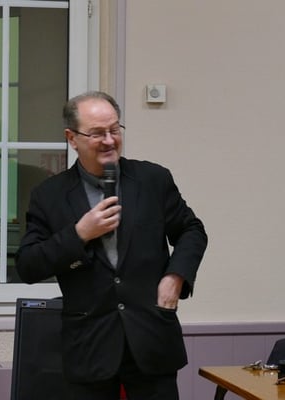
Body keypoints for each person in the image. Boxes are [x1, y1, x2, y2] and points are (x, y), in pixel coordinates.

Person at [15, 91, 208, 399]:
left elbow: (191, 231)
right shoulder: (49, 195)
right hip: (89, 347)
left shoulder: (153, 180)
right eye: (96, 133)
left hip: (152, 339)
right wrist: (79, 233)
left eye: (114, 130)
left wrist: (175, 278)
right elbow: (28, 265)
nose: (109, 140)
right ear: (72, 138)